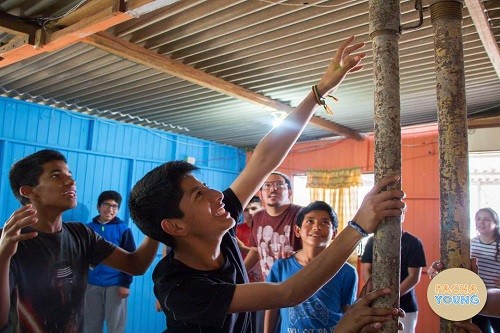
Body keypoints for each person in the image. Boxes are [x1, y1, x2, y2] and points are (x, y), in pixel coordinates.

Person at [128, 35, 405, 332]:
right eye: (198, 195)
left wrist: (319, 90)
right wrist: (358, 227)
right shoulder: (179, 287)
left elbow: (264, 159)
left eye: (205, 185)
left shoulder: (217, 225)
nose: (215, 194)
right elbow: (287, 293)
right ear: (176, 226)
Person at [0, 149, 159, 332]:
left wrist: (156, 221)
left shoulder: (81, 234)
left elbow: (135, 265)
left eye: (70, 174)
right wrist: (3, 256)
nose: (71, 181)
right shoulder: (7, 241)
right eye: (55, 175)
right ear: (30, 192)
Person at [264, 201, 358, 333]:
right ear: (298, 230)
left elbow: (347, 312)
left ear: (334, 233)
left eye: (325, 222)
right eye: (310, 221)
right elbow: (272, 308)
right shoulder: (281, 266)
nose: (316, 227)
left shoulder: (347, 272)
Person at [361, 209, 426, 333]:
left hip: (406, 305)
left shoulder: (413, 242)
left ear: (403, 216)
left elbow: (413, 277)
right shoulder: (372, 241)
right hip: (377, 304)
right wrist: (378, 296)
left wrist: (392, 297)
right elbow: (366, 271)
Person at [84, 190, 137, 333]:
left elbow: (130, 259)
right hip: (91, 284)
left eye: (114, 206)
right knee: (91, 325)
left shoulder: (123, 229)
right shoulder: (87, 229)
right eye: (106, 205)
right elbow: (81, 257)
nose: (110, 209)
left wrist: (125, 284)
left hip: (116, 285)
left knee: (116, 327)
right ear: (98, 207)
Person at [244, 172, 302, 281]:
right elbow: (256, 251)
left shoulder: (301, 214)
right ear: (260, 194)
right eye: (266, 185)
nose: (273, 189)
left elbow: (316, 251)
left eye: (279, 185)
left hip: (297, 286)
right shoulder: (257, 217)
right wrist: (239, 273)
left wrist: (297, 255)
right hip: (270, 286)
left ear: (289, 192)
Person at [470, 207, 500, 332]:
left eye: (487, 219)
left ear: (496, 223)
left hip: (496, 299)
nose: (481, 222)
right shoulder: (471, 243)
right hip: (476, 296)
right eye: (478, 219)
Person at [236, 196, 263, 283]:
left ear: (261, 209)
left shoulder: (268, 230)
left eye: (254, 208)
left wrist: (243, 247)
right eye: (246, 210)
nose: (250, 212)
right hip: (242, 278)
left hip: (264, 279)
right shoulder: (235, 231)